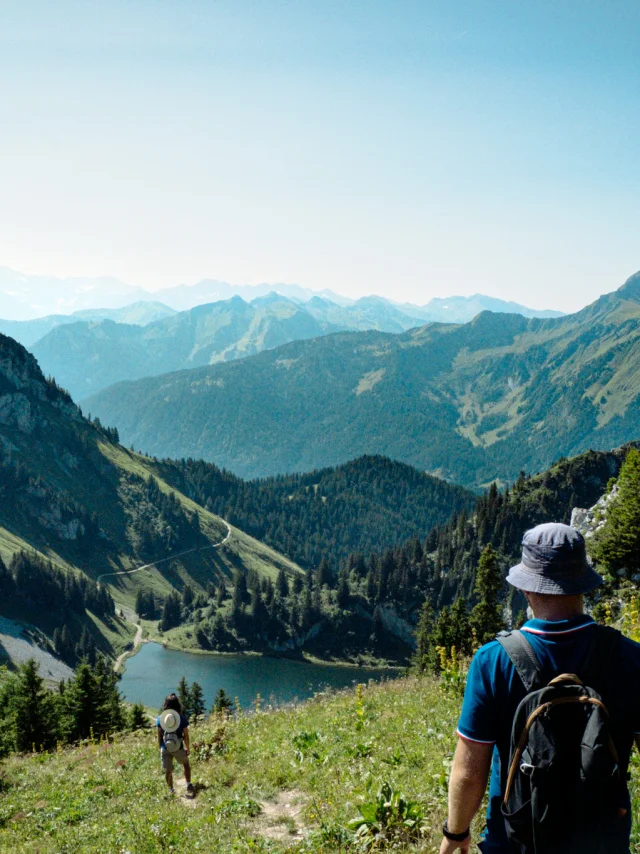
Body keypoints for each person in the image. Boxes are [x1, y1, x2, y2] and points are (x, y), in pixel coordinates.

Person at [439, 522, 640, 854]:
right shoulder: (630, 657)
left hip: (516, 842)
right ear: (583, 585)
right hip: (604, 843)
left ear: (526, 588)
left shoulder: (492, 661)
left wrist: (456, 833)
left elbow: (469, 769)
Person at [157, 692, 195, 796]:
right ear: (178, 705)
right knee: (186, 764)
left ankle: (171, 790)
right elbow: (186, 735)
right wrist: (188, 748)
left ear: (166, 705)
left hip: (165, 748)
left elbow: (159, 735)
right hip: (178, 747)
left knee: (168, 770)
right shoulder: (181, 718)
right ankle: (188, 784)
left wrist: (160, 748)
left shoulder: (160, 719)